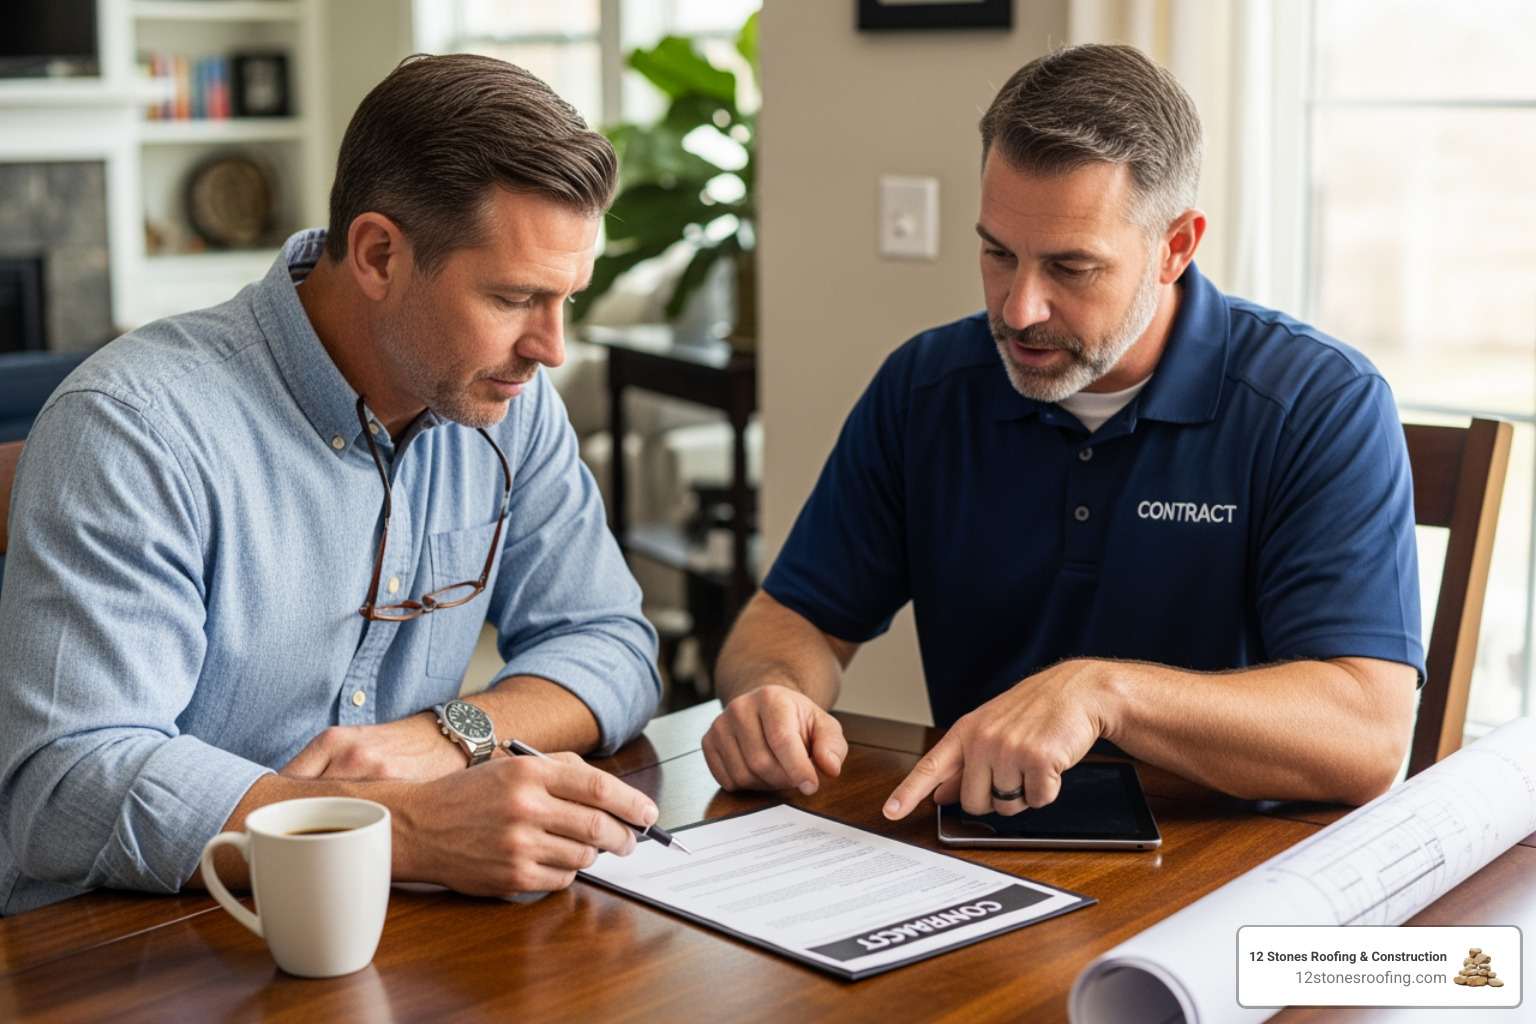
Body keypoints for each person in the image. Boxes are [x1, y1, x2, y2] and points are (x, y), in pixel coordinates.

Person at [0, 55, 663, 916]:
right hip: (144, 936)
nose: (551, 348)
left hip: (390, 924)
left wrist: (446, 738)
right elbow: (66, 785)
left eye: (567, 298)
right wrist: (404, 827)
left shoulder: (507, 406)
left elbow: (611, 639)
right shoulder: (134, 427)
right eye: (513, 298)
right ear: (379, 254)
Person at [701, 44, 1423, 823]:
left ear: (1174, 247)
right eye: (997, 253)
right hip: (977, 853)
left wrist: (1104, 693)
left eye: (1072, 268)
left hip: (1223, 874)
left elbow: (1369, 735)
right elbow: (790, 619)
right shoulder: (925, 387)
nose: (1018, 309)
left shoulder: (1320, 402)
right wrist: (772, 695)